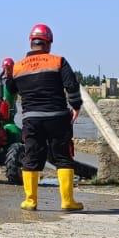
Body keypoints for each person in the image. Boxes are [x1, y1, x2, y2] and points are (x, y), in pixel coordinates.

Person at [9, 23, 83, 212]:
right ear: (49, 43)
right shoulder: (58, 61)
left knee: (31, 157)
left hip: (31, 119)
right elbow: (72, 85)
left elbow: (10, 89)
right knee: (63, 157)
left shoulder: (18, 66)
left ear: (31, 42)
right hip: (57, 117)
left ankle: (30, 201)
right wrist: (76, 106)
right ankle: (68, 201)